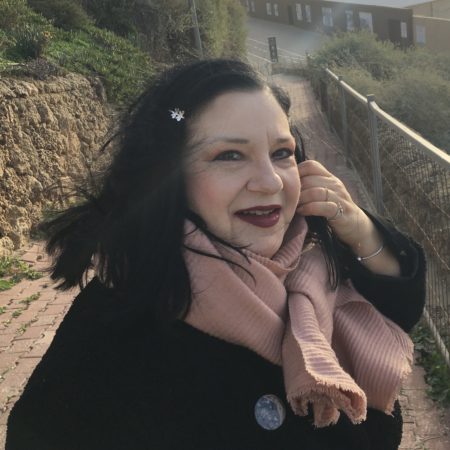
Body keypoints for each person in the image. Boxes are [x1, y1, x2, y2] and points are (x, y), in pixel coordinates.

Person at [6, 59, 425, 450]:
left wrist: (360, 229)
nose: (270, 182)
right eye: (229, 156)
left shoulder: (312, 258)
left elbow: (397, 310)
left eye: (281, 153)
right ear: (171, 177)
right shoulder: (112, 330)